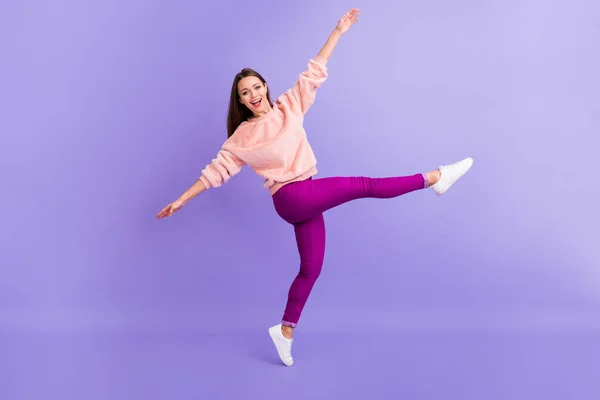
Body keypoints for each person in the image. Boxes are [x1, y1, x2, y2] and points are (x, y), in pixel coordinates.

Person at [157, 8, 473, 366]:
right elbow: (215, 172)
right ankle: (434, 177)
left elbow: (314, 72)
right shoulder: (241, 137)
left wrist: (338, 31)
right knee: (363, 185)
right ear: (241, 101)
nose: (254, 95)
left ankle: (285, 330)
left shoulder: (289, 107)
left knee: (312, 267)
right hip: (291, 197)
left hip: (306, 195)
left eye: (257, 87)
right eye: (246, 93)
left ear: (265, 87)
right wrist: (181, 199)